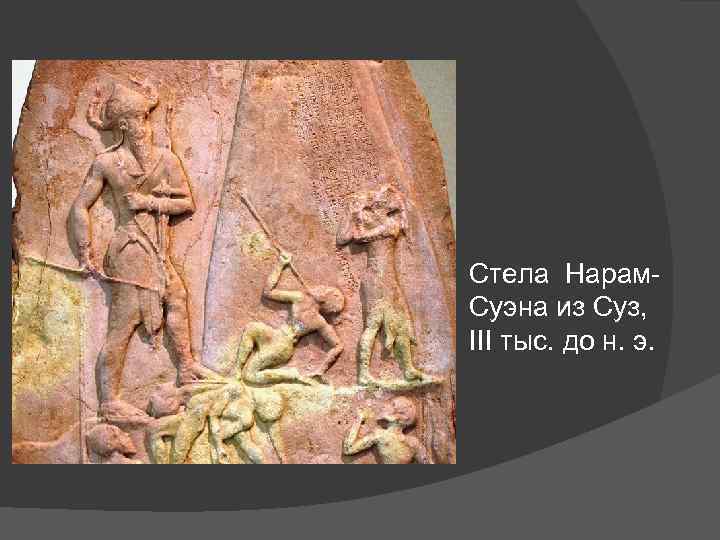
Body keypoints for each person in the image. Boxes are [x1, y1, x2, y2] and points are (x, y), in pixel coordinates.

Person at [69, 80, 215, 422]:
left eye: (146, 118)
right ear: (123, 125)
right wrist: (85, 251)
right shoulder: (106, 163)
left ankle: (187, 368)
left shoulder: (166, 159)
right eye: (139, 119)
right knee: (124, 323)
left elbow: (187, 203)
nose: (145, 126)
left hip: (158, 248)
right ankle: (109, 401)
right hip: (129, 249)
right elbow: (79, 207)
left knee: (176, 297)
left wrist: (149, 202)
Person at [238, 251, 345, 386]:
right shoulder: (299, 298)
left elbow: (338, 345)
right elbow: (268, 293)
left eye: (326, 291)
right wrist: (280, 265)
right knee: (252, 328)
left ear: (325, 301)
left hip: (282, 346)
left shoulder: (318, 321)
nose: (322, 288)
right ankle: (236, 373)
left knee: (249, 376)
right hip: (275, 334)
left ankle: (290, 375)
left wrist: (321, 370)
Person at [342, 397, 433, 464]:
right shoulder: (414, 443)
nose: (385, 405)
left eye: (392, 404)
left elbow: (348, 449)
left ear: (397, 416)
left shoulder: (380, 435)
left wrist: (359, 418)